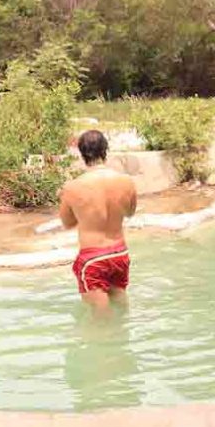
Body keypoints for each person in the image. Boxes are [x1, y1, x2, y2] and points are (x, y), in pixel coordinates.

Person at [59, 129, 137, 313]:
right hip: (119, 253)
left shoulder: (72, 187)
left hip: (93, 258)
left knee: (99, 317)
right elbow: (130, 213)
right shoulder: (126, 181)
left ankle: (101, 341)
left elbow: (68, 223)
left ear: (82, 153)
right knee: (120, 304)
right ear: (105, 150)